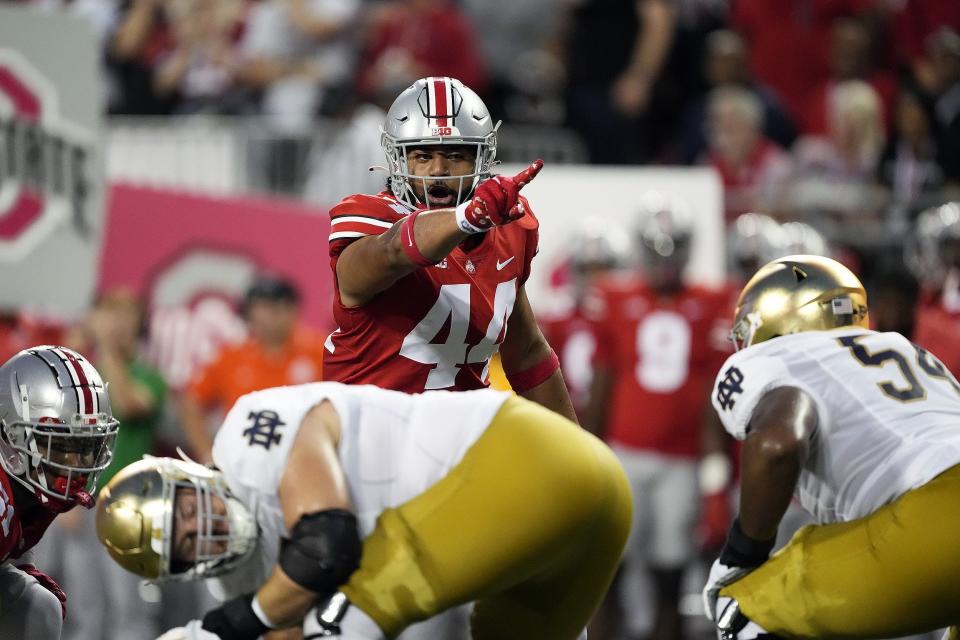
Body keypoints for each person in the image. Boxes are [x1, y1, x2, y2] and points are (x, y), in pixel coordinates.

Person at [96, 383, 632, 640]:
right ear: (183, 571)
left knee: (342, 628)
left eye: (185, 508)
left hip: (525, 459)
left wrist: (219, 631)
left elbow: (326, 545)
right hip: (594, 508)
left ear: (188, 475)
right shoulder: (241, 585)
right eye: (184, 544)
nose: (199, 529)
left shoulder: (244, 437)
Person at [702, 254, 960, 639]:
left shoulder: (777, 356)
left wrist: (741, 555)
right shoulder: (911, 352)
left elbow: (777, 445)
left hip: (936, 514)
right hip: (930, 522)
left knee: (743, 608)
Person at [323, 76, 577, 423]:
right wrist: (466, 217)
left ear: (481, 159)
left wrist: (575, 450)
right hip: (368, 437)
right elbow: (391, 252)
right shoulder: (368, 217)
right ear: (397, 159)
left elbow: (527, 353)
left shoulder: (509, 228)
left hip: (458, 442)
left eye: (456, 155)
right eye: (423, 155)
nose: (439, 170)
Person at [583, 194, 730, 640]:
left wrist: (714, 468)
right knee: (609, 564)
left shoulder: (713, 299)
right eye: (657, 248)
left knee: (671, 569)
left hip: (682, 456)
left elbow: (712, 390)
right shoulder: (614, 294)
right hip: (624, 451)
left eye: (674, 247)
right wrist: (590, 449)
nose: (665, 260)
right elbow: (603, 379)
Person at [0, 346, 119, 639]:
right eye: (62, 447)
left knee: (39, 606)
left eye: (86, 447)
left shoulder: (27, 485)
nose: (76, 464)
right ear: (11, 437)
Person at [178, 274, 326, 463]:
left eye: (278, 307)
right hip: (244, 459)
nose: (270, 316)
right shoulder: (229, 355)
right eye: (263, 307)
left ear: (294, 310)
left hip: (306, 457)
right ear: (249, 313)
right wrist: (208, 455)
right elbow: (192, 403)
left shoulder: (319, 350)